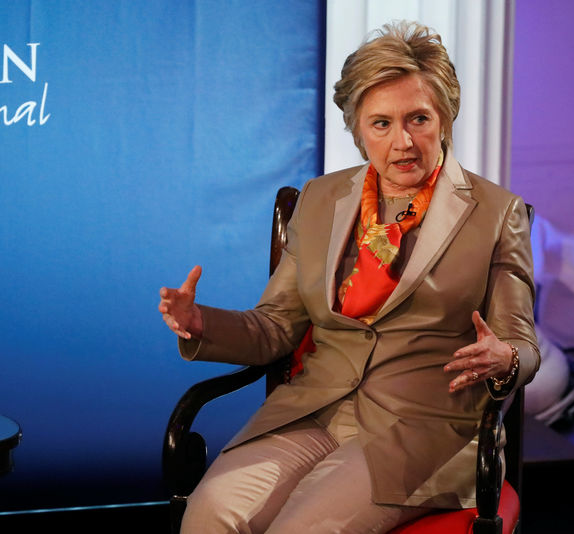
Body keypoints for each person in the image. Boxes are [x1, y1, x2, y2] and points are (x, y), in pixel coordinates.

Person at [159, 21, 539, 534]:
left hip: (419, 430)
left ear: (445, 119)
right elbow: (275, 327)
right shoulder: (320, 199)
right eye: (381, 123)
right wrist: (201, 323)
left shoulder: (497, 212)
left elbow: (520, 340)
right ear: (357, 129)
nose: (402, 141)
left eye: (418, 119)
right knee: (209, 517)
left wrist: (507, 359)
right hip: (312, 410)